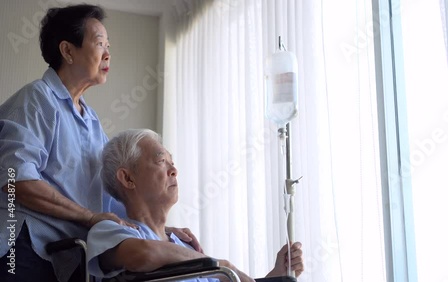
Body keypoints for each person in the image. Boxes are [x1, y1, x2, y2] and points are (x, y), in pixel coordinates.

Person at [0, 5, 198, 282]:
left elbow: (113, 199)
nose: (108, 53)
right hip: (21, 248)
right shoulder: (36, 99)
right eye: (99, 43)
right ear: (68, 51)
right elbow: (15, 180)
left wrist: (163, 232)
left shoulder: (90, 120)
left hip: (65, 258)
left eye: (109, 45)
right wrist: (89, 217)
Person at [87, 129, 304, 281]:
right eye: (161, 161)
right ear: (127, 179)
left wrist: (277, 274)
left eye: (173, 163)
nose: (174, 170)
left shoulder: (185, 246)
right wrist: (221, 265)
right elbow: (143, 255)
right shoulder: (109, 231)